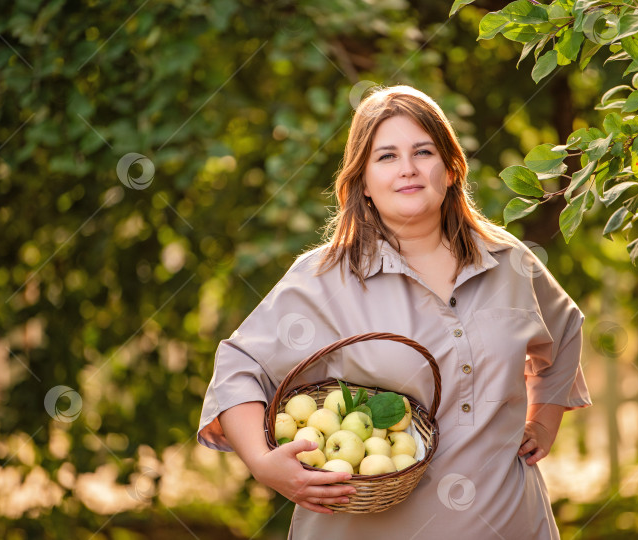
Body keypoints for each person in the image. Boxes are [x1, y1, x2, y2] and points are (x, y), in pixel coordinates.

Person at [197, 85, 591, 539]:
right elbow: (238, 367)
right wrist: (265, 465)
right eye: (386, 156)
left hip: (509, 523)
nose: (407, 169)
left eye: (422, 151)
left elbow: (564, 332)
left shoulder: (507, 261)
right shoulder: (325, 278)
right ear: (362, 181)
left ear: (450, 168)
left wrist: (542, 422)